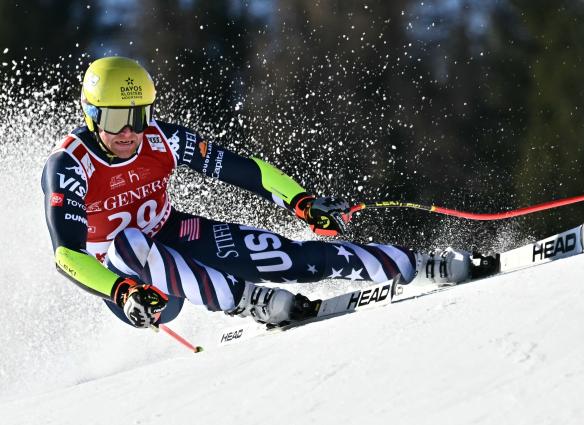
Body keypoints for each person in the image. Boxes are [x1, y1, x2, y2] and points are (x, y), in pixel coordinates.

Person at [41, 56, 486, 329]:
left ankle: (417, 263)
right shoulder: (70, 165)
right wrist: (121, 291)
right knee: (129, 242)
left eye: (139, 116)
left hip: (174, 233)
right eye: (117, 119)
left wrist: (300, 201)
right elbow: (67, 256)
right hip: (131, 284)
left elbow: (243, 170)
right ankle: (246, 300)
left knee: (290, 255)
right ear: (92, 113)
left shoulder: (161, 140)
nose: (129, 132)